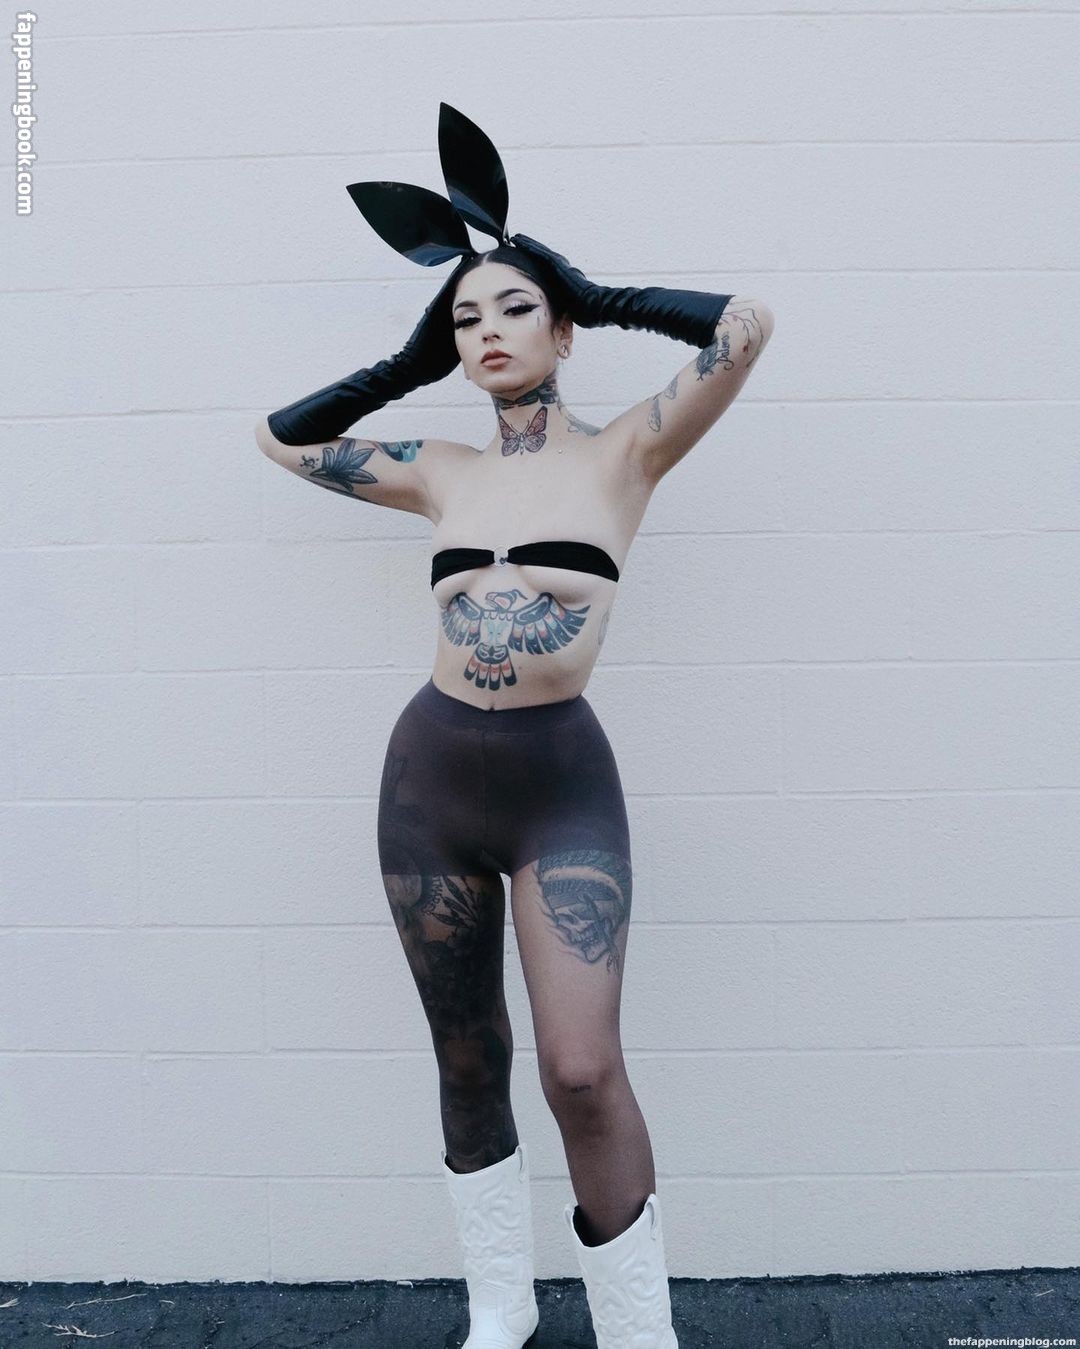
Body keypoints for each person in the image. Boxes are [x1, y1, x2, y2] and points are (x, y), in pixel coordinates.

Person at [256, 104, 774, 1349]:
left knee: (580, 1069)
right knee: (466, 1050)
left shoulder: (630, 452)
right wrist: (408, 358)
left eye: (516, 307)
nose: (488, 330)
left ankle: (638, 1329)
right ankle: (500, 1306)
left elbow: (744, 326)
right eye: (465, 318)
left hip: (558, 781)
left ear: (562, 326)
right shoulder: (441, 467)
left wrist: (594, 287)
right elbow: (284, 438)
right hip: (431, 775)